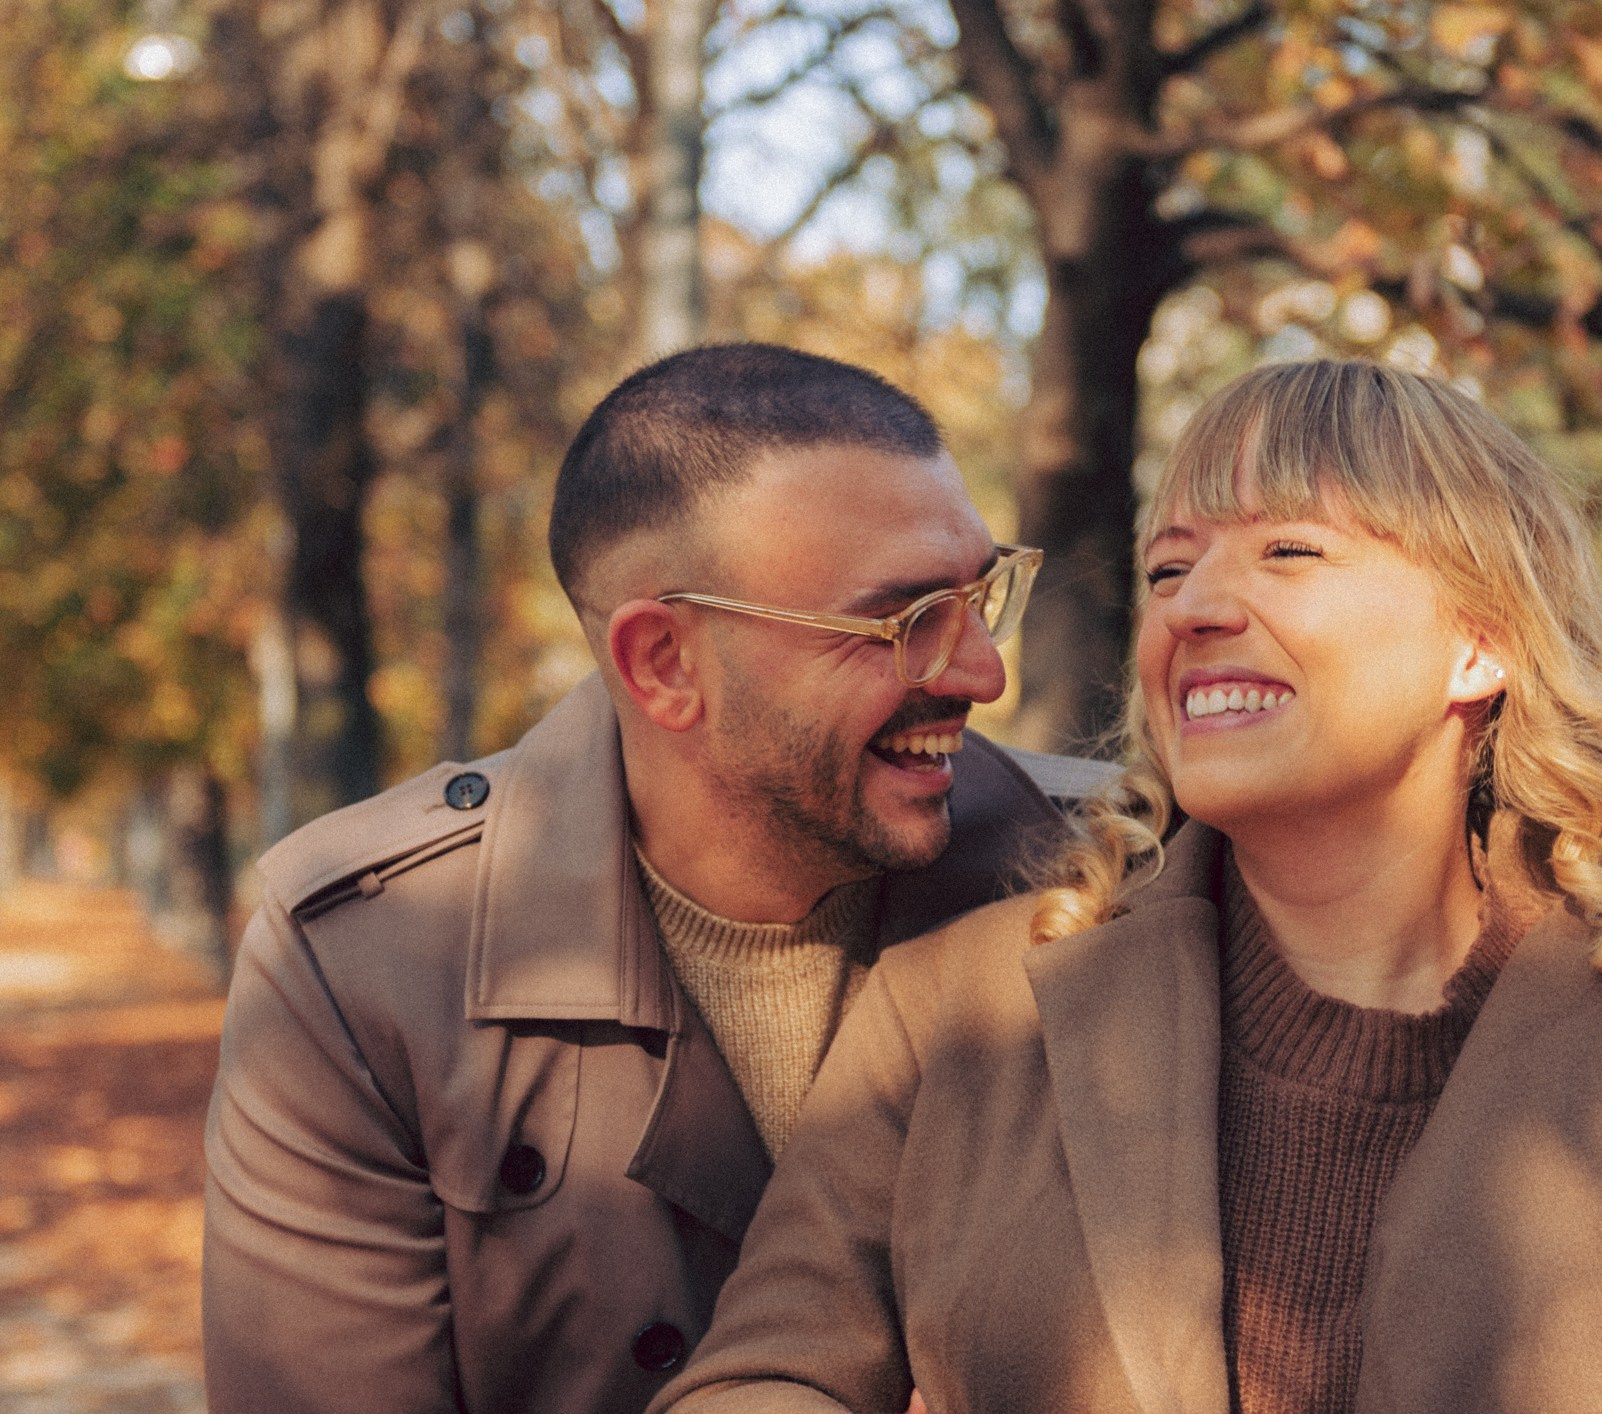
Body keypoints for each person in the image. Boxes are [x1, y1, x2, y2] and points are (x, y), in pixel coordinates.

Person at [655, 359, 1602, 1414]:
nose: (1198, 606)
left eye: (1288, 552)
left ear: (1482, 644)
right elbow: (773, 1371)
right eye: (1170, 568)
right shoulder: (958, 1012)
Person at [201, 343, 1113, 1414]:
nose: (981, 674)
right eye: (905, 621)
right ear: (664, 665)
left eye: (979, 596)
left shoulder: (1110, 879)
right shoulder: (366, 966)